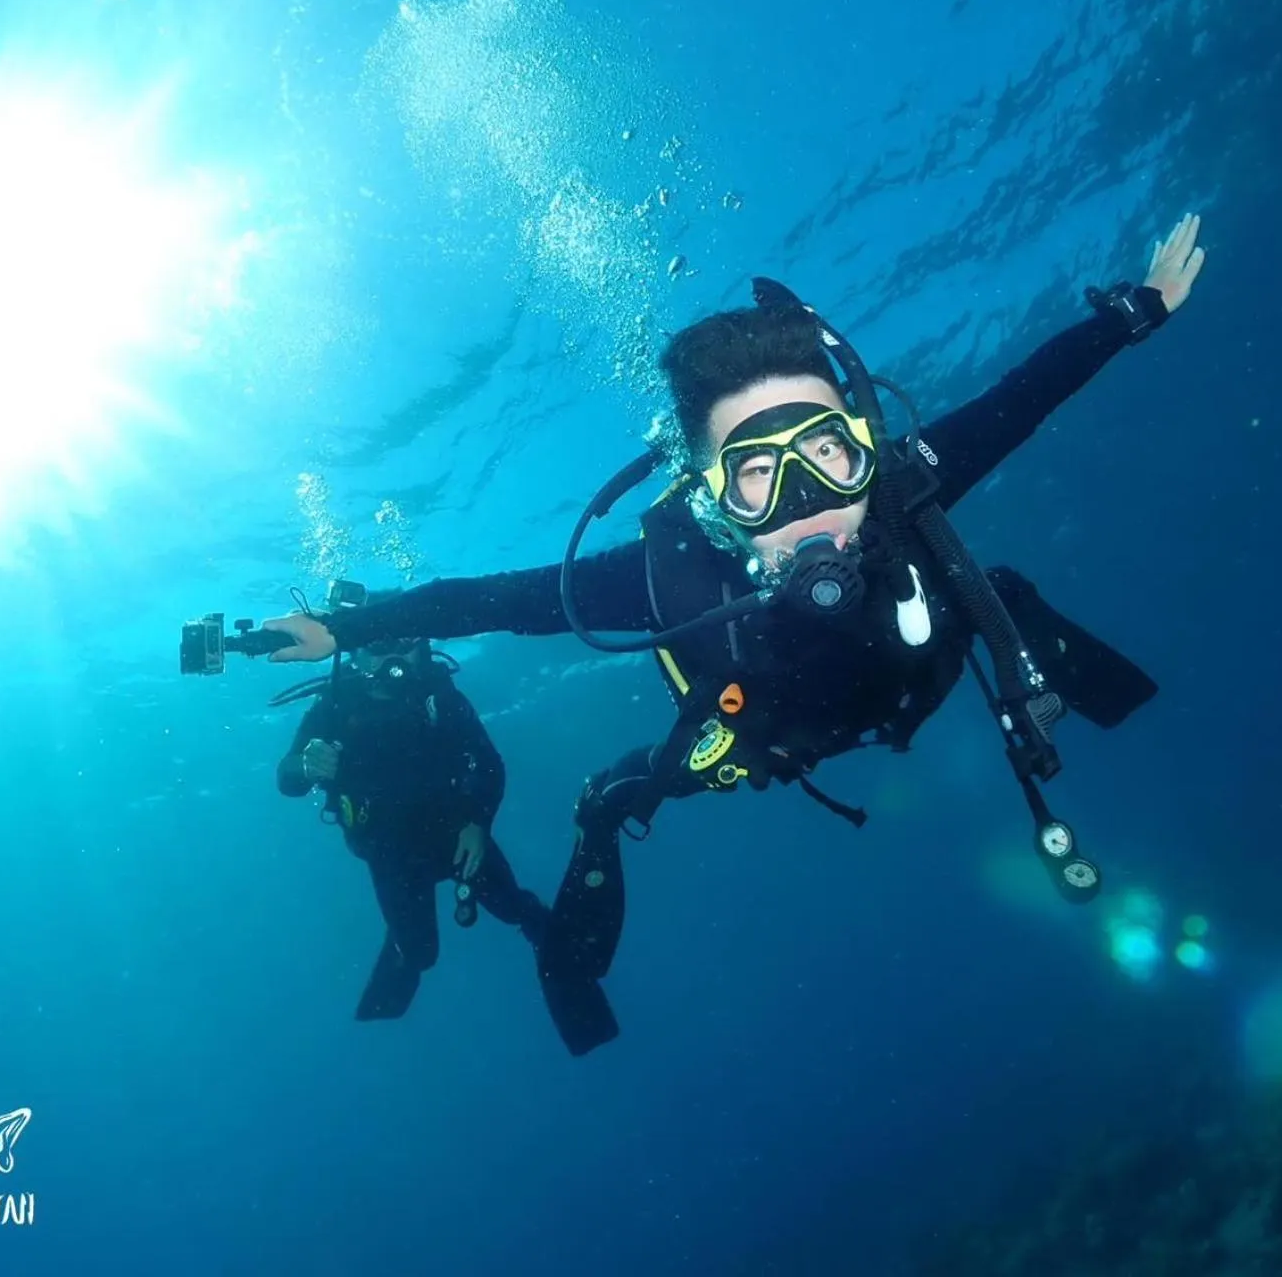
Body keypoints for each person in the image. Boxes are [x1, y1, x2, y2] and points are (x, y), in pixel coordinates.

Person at [261, 214, 1209, 1047]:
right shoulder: (662, 577)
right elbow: (492, 599)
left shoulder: (903, 488)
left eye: (826, 453)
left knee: (993, 589)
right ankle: (574, 935)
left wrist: (1135, 312)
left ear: (863, 446)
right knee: (613, 794)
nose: (806, 504)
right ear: (713, 496)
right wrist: (347, 631)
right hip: (754, 736)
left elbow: (1021, 396)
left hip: (919, 668)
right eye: (758, 473)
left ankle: (1119, 704)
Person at [274, 633, 617, 1055]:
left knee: (513, 906)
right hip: (390, 851)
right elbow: (287, 779)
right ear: (358, 651)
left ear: (422, 647)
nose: (394, 657)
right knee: (421, 954)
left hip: (456, 835)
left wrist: (477, 822)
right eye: (379, 644)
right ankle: (402, 950)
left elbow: (489, 763)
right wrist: (306, 764)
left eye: (406, 643)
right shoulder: (336, 703)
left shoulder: (441, 696)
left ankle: (552, 948)